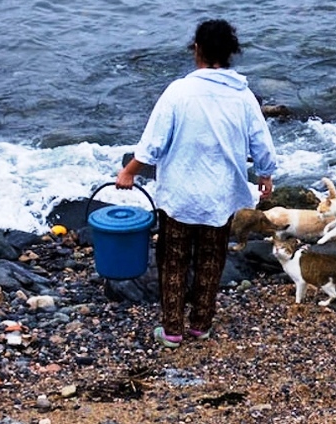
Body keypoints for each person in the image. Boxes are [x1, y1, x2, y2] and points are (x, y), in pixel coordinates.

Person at [116, 19, 277, 348]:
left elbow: (153, 145)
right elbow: (261, 142)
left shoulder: (179, 92)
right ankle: (201, 323)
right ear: (230, 53)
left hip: (180, 194)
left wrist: (129, 171)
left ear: (197, 49)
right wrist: (265, 173)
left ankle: (172, 329)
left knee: (173, 259)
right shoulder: (243, 97)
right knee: (211, 258)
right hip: (220, 195)